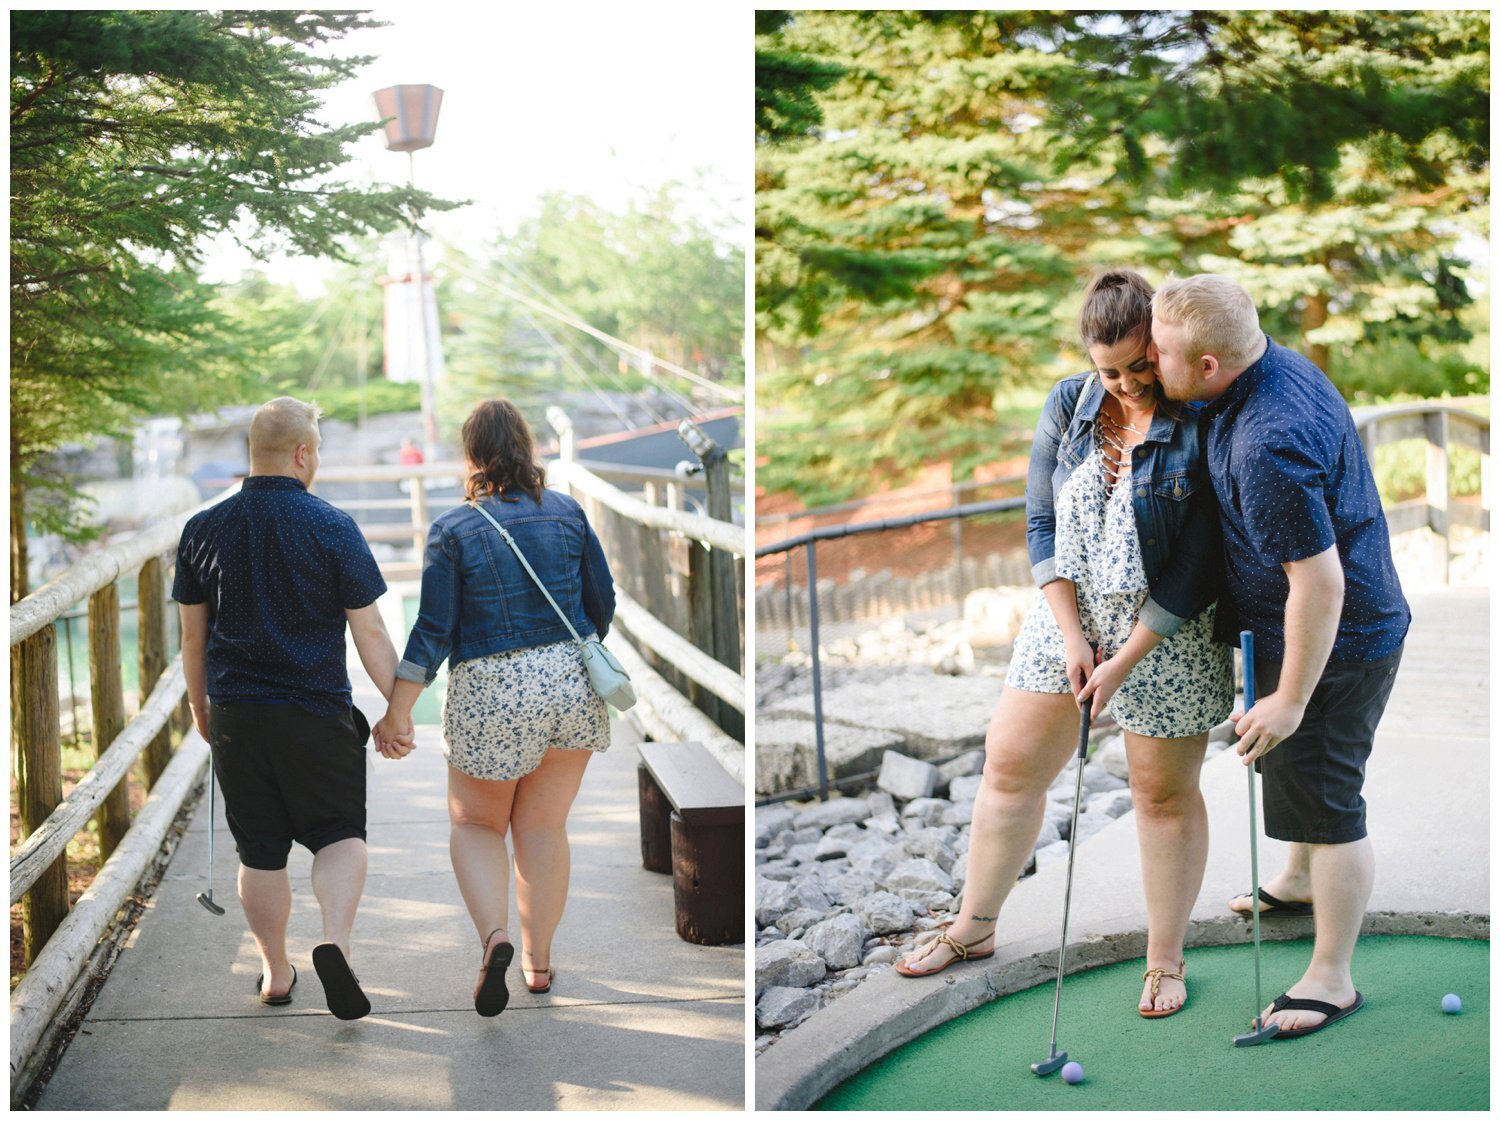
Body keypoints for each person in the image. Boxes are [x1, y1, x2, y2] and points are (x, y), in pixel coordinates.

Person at [897, 270, 1233, 1018]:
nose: (1125, 384)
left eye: (1140, 366)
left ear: (1161, 345)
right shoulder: (1070, 404)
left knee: (1161, 795)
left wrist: (1124, 657)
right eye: (1107, 369)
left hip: (1166, 631)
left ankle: (1165, 958)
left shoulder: (1198, 419)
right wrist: (1076, 635)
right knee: (1010, 763)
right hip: (1067, 616)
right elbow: (1040, 522)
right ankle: (973, 925)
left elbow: (1199, 562)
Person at [1149, 275, 1409, 1039]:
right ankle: (1295, 882)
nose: (1148, 361)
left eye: (1161, 352)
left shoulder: (1267, 438)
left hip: (1338, 637)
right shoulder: (1269, 363)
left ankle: (1332, 975)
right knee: (1287, 768)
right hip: (1290, 627)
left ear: (1206, 367)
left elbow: (1320, 583)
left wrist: (1292, 697)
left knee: (1328, 799)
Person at [373, 398, 617, 1017]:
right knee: (542, 827)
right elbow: (602, 603)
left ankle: (496, 938)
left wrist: (398, 712)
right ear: (527, 447)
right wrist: (562, 660)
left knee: (477, 825)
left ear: (473, 457)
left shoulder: (454, 529)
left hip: (491, 690)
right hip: (570, 680)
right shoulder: (569, 513)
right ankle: (538, 964)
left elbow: (433, 630)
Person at [175, 396, 409, 1021]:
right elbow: (373, 636)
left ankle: (276, 973)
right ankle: (334, 942)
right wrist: (398, 709)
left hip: (238, 714)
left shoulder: (203, 529)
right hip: (315, 710)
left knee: (260, 852)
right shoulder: (333, 526)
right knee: (339, 837)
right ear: (303, 454)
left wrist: (203, 710)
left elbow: (193, 640)